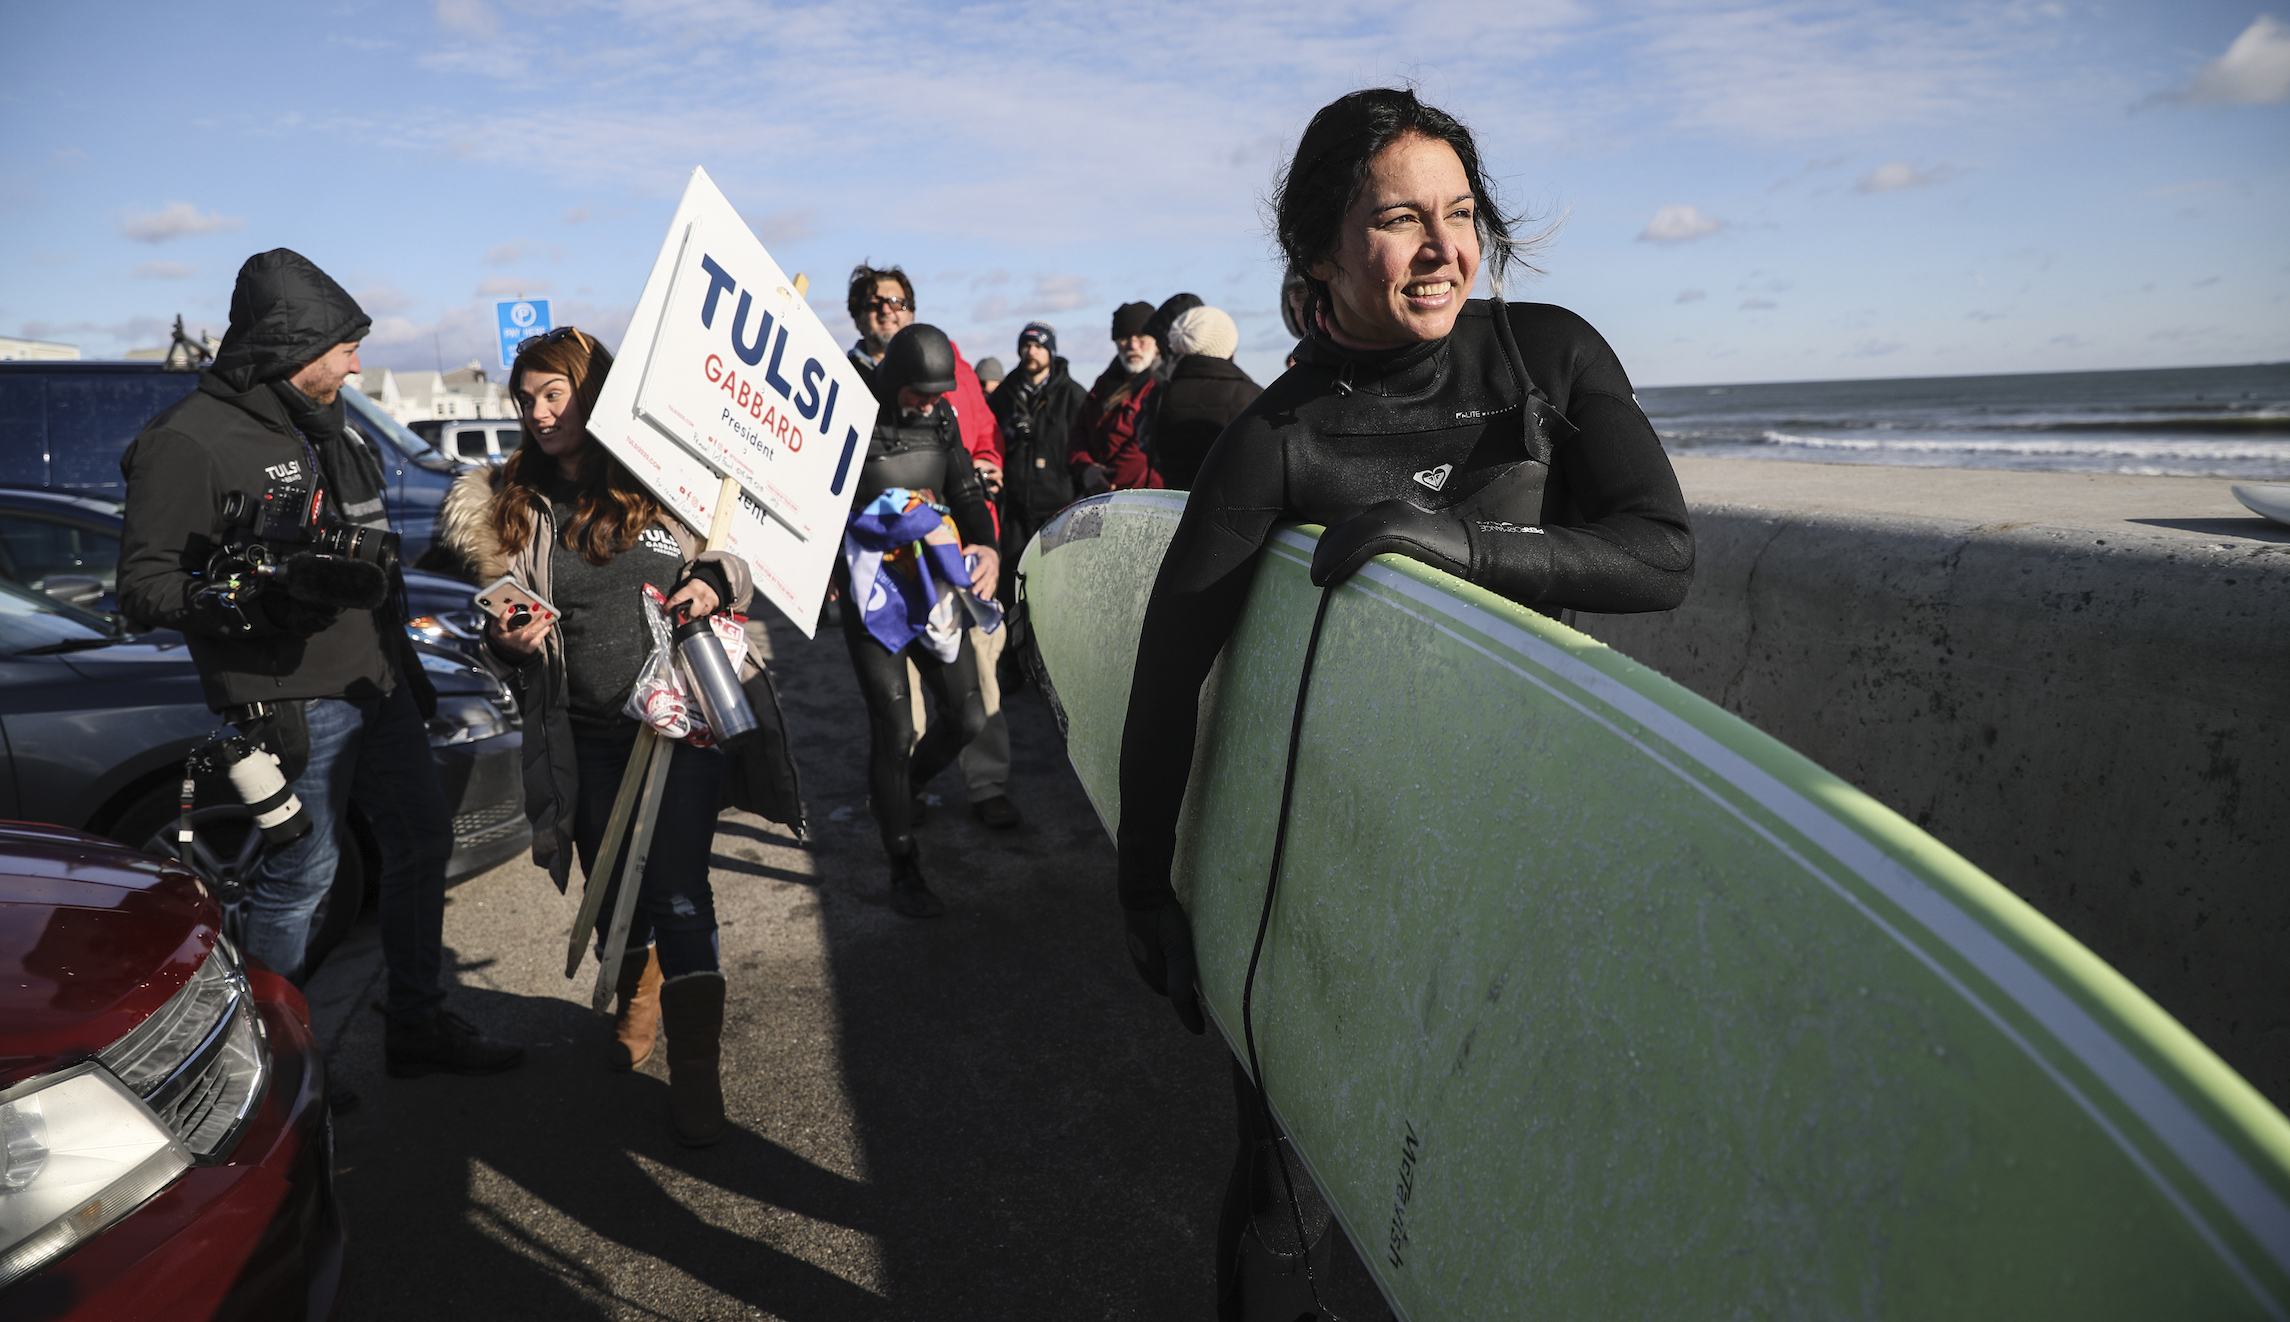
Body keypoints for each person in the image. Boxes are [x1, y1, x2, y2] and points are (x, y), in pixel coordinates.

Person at [1112, 89, 1695, 1318]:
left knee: (1493, 1170)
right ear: (1321, 251)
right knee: (1290, 1186)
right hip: (1333, 858)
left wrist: (1461, 546)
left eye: (1459, 213)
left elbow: (1659, 552)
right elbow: (1170, 667)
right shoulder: (1278, 438)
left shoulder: (1549, 355)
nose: (1442, 248)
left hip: (1517, 847)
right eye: (1397, 220)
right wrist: (1143, 884)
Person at [118, 248, 523, 1079]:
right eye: (345, 348)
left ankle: (416, 1023)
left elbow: (375, 570)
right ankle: (276, 1070)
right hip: (287, 698)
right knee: (305, 872)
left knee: (422, 841)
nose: (357, 364)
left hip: (375, 681)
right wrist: (252, 601)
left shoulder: (330, 428)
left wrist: (408, 674)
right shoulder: (189, 439)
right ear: (291, 347)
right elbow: (143, 585)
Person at [436, 327, 773, 1148]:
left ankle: (697, 1070)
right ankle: (638, 992)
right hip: (578, 734)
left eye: (555, 394)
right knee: (610, 886)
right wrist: (506, 640)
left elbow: (735, 560)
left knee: (680, 889)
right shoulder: (512, 501)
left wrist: (713, 580)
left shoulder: (662, 476)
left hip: (676, 728)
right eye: (526, 399)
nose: (539, 412)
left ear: (593, 393)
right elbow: (497, 615)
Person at [838, 324, 1001, 914]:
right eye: (919, 393)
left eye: (937, 395)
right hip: (873, 592)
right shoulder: (852, 421)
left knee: (968, 716)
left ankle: (906, 789)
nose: (929, 404)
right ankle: (903, 865)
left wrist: (988, 547)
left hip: (932, 585)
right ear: (893, 381)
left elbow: (965, 491)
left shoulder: (942, 420)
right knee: (894, 727)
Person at [1140, 305, 1261, 491]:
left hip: (1176, 504)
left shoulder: (1159, 395)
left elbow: (1147, 448)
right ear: (1228, 344)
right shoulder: (1254, 395)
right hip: (1238, 504)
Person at [1068, 301, 1164, 495]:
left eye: (1141, 338)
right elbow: (1079, 431)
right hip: (1101, 497)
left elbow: (1143, 449)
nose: (1133, 345)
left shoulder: (1163, 385)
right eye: (1125, 338)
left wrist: (1105, 480)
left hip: (1144, 499)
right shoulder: (1103, 384)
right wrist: (1085, 468)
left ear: (1156, 342)